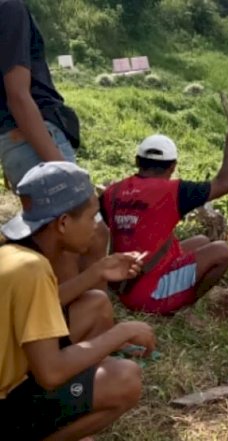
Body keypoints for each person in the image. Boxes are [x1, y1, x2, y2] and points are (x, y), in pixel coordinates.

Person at [0, 161, 155, 440]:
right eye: (92, 216)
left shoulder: (15, 254)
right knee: (125, 378)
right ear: (63, 223)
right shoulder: (33, 270)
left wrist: (97, 271)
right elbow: (50, 372)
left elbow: (44, 304)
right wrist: (123, 332)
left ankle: (70, 407)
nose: (97, 228)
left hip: (15, 374)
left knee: (95, 303)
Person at [0, 0, 110, 294]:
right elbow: (18, 96)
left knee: (68, 239)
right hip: (30, 136)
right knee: (77, 238)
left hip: (17, 140)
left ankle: (83, 324)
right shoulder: (10, 8)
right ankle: (80, 329)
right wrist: (64, 170)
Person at [100, 125, 228, 315]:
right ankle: (182, 307)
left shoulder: (114, 191)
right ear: (173, 166)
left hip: (121, 281)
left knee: (201, 241)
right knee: (222, 251)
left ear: (137, 161)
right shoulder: (174, 191)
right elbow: (224, 184)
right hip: (148, 294)